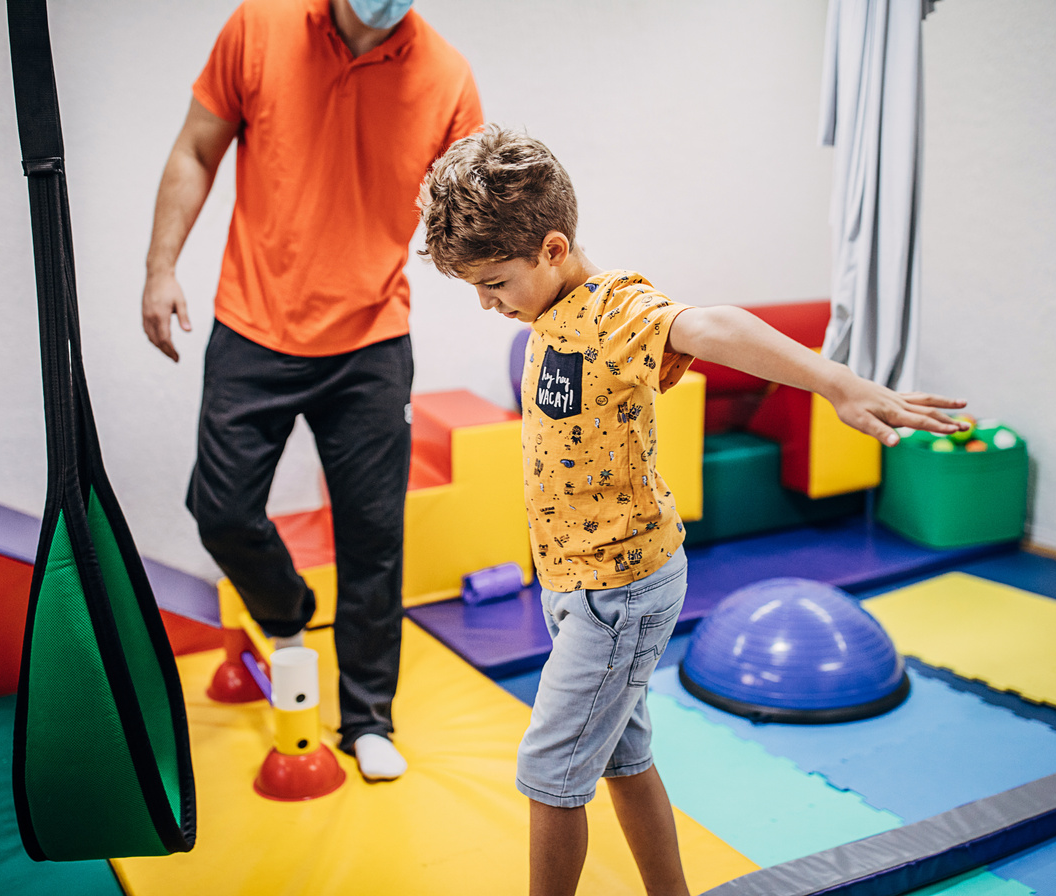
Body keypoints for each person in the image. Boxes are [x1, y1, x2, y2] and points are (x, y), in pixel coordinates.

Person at [417, 126, 967, 896]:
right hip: (577, 586)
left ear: (550, 248)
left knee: (548, 774)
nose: (486, 303)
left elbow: (711, 326)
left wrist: (834, 380)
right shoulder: (547, 311)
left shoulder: (614, 308)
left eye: (495, 282)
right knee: (622, 758)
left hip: (620, 590)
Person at [140, 0, 482, 781]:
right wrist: (160, 270)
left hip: (372, 340)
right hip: (252, 325)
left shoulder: (448, 76)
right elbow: (197, 149)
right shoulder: (257, 28)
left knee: (373, 538)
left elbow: (471, 214)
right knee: (220, 510)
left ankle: (368, 718)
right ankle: (288, 615)